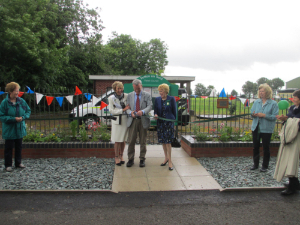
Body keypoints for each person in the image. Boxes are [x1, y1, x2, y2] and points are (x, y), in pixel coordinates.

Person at [0, 82, 31, 172]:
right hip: (9, 129)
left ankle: (18, 163)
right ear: (10, 91)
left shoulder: (21, 101)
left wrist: (23, 118)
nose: (17, 93)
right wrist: (13, 119)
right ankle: (8, 165)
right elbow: (1, 116)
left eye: (18, 91)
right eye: (15, 91)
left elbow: (28, 111)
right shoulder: (4, 103)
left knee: (19, 146)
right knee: (8, 148)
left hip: (19, 128)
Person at [274, 89, 300, 195]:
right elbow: (291, 117)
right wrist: (285, 118)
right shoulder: (293, 108)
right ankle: (294, 183)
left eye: (295, 97)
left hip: (297, 138)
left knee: (293, 161)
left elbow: (296, 121)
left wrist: (289, 119)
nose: (293, 99)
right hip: (290, 138)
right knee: (289, 160)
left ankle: (293, 187)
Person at [250, 83, 279, 172]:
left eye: (263, 91)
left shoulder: (273, 103)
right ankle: (255, 164)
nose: (261, 93)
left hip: (266, 129)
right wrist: (253, 114)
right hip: (256, 127)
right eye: (260, 91)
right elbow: (251, 113)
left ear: (267, 92)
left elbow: (274, 117)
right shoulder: (256, 102)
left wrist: (264, 115)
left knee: (266, 147)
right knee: (255, 146)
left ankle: (265, 166)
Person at [126, 79, 152, 167]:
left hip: (143, 120)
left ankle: (142, 159)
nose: (137, 90)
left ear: (141, 86)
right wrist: (130, 113)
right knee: (131, 141)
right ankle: (130, 159)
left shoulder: (147, 95)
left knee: (143, 141)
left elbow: (150, 106)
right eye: (135, 89)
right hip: (132, 121)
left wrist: (143, 112)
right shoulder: (130, 95)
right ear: (133, 86)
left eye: (138, 88)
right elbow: (127, 108)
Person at [154, 84, 177, 170]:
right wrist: (155, 114)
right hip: (160, 123)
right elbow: (155, 110)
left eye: (162, 91)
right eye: (159, 91)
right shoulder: (157, 99)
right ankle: (166, 158)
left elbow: (174, 111)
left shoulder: (171, 99)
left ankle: (170, 161)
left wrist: (172, 120)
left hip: (168, 123)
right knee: (163, 141)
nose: (160, 93)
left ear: (166, 91)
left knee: (168, 142)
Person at [108, 81, 130, 166]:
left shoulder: (127, 96)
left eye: (121, 88)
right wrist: (122, 110)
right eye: (118, 88)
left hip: (125, 120)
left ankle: (121, 155)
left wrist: (127, 109)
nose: (120, 90)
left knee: (123, 140)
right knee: (117, 140)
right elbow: (111, 111)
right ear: (115, 89)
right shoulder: (111, 98)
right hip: (117, 121)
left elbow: (129, 106)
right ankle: (116, 157)